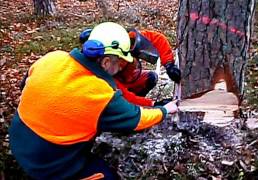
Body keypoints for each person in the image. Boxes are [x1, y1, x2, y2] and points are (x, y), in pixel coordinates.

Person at [9, 22, 178, 180]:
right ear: (105, 62)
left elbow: (25, 84)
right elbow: (137, 119)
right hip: (48, 161)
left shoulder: (52, 58)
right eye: (120, 64)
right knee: (105, 175)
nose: (121, 68)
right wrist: (164, 110)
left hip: (18, 138)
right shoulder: (99, 93)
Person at [80, 27, 181, 107]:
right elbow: (125, 96)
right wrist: (152, 104)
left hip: (130, 79)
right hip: (118, 87)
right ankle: (132, 108)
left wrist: (169, 64)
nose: (121, 65)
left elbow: (157, 39)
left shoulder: (125, 41)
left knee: (150, 77)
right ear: (105, 62)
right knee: (126, 102)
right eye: (119, 62)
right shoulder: (100, 73)